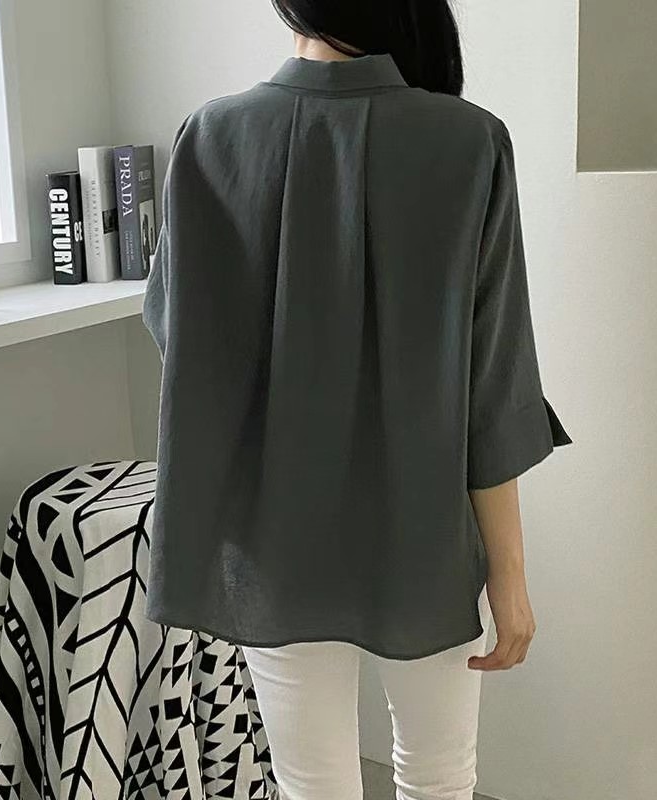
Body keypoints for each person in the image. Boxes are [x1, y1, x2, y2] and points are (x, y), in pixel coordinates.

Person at [141, 1, 572, 797]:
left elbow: (186, 350)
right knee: (439, 775)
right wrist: (509, 578)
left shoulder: (210, 137)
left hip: (271, 541)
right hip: (424, 537)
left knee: (312, 785)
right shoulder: (468, 140)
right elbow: (493, 383)